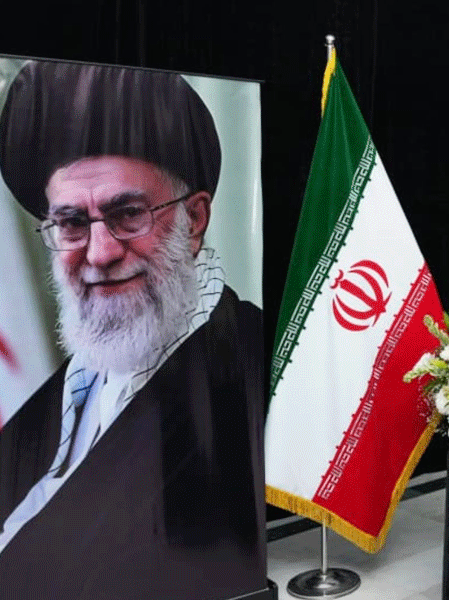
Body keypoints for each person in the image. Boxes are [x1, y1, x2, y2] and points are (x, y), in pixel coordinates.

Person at [0, 61, 266, 600]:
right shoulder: (77, 379)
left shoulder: (256, 373)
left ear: (194, 220)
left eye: (128, 214)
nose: (99, 253)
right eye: (72, 224)